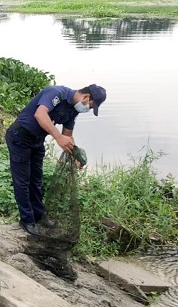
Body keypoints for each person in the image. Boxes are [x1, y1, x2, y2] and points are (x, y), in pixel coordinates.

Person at [6, 84, 106, 235]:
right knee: (23, 180)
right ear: (86, 97)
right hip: (20, 137)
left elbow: (67, 135)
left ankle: (39, 215)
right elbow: (40, 114)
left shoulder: (73, 111)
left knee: (36, 179)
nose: (88, 110)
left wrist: (76, 155)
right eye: (91, 107)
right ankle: (26, 220)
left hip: (37, 140)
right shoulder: (56, 93)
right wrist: (57, 137)